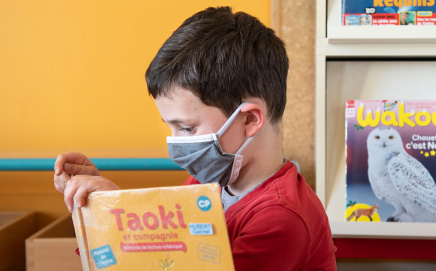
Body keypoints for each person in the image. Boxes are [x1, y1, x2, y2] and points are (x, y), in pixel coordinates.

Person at [54, 6, 337, 270]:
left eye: (187, 128)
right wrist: (104, 208)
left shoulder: (280, 219)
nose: (176, 144)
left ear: (250, 120)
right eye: (171, 127)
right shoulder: (207, 182)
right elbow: (159, 252)